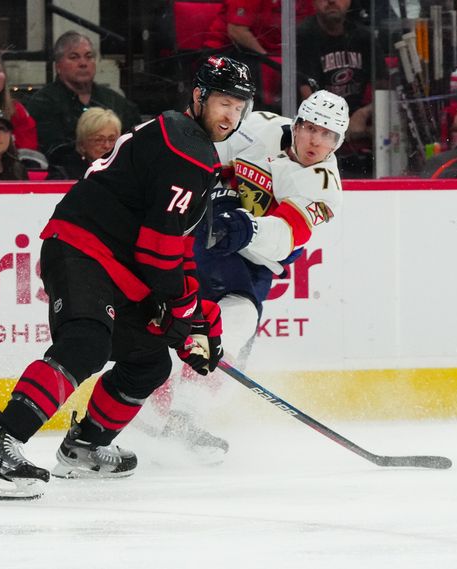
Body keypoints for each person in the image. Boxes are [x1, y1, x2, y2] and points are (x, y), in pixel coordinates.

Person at [0, 55, 256, 501]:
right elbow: (157, 253)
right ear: (199, 97)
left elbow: (177, 247)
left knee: (150, 362)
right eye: (223, 102)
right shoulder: (187, 150)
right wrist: (184, 316)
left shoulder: (193, 146)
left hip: (116, 263)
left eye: (239, 107)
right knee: (86, 343)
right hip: (84, 248)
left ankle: (84, 447)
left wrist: (199, 317)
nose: (230, 115)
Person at [142, 92, 349, 460]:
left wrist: (245, 228)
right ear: (297, 124)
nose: (317, 141)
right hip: (204, 236)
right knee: (186, 317)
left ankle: (180, 416)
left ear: (339, 142)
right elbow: (209, 155)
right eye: (312, 128)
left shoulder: (324, 187)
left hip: (251, 262)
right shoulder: (258, 127)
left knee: (232, 332)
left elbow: (288, 235)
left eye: (329, 135)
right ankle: (150, 407)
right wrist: (207, 194)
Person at [296, 0, 385, 178]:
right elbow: (308, 96)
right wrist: (339, 126)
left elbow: (384, 89)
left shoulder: (363, 37)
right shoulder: (304, 36)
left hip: (359, 132)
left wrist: (364, 113)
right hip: (319, 130)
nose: (331, 2)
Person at [25, 31, 141, 158]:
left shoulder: (116, 102)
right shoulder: (42, 103)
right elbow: (51, 151)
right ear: (58, 66)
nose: (83, 63)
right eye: (74, 57)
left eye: (89, 56)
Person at [47, 107, 121, 180]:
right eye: (99, 140)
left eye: (112, 139)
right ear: (82, 143)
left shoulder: (125, 168)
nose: (107, 146)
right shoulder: (63, 173)